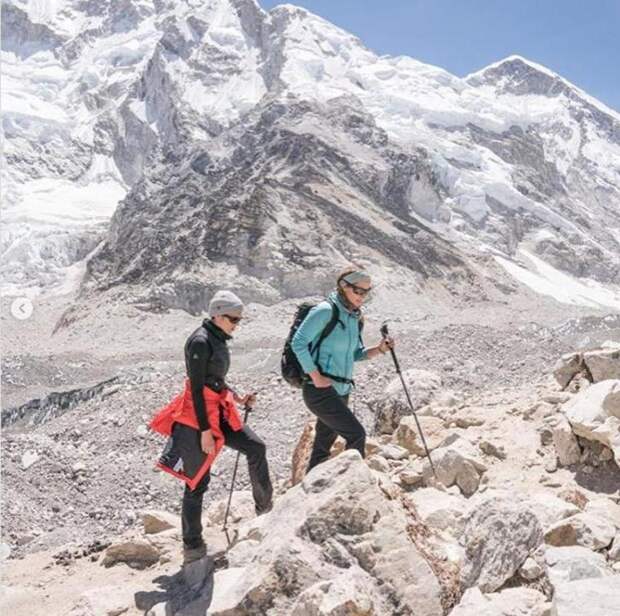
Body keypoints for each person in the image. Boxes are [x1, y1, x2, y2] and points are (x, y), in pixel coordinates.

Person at [151, 290, 273, 562]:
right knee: (197, 480)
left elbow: (213, 379)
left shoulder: (217, 338)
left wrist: (237, 396)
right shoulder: (200, 341)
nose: (236, 324)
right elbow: (196, 388)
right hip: (198, 418)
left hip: (218, 409)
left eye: (239, 319)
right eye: (233, 318)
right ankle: (192, 542)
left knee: (256, 448)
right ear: (217, 314)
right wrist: (205, 431)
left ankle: (265, 510)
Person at [291, 267, 395, 471]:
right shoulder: (325, 311)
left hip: (341, 391)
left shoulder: (354, 318)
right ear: (343, 286)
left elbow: (355, 354)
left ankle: (311, 493)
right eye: (358, 291)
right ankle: (355, 487)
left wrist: (380, 349)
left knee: (323, 445)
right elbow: (298, 343)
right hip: (319, 390)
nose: (362, 297)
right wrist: (316, 376)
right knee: (356, 434)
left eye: (367, 292)